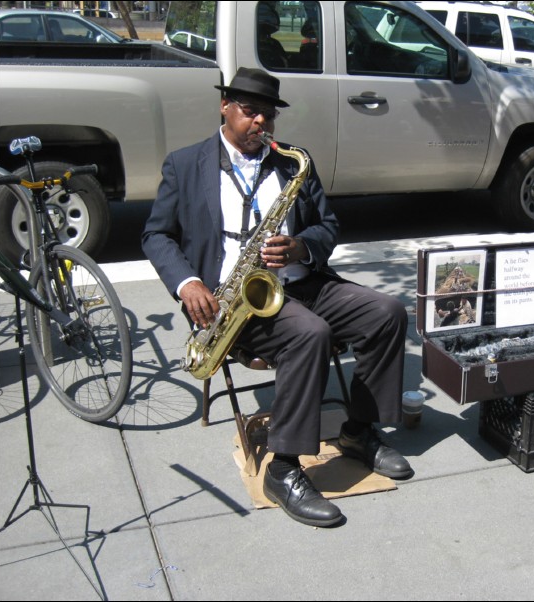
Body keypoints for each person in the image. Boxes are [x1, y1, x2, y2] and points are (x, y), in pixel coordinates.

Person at [142, 68, 413, 528]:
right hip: (233, 301)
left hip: (302, 283)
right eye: (250, 112)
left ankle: (359, 431)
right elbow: (156, 236)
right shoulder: (185, 164)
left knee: (385, 313)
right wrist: (188, 284)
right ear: (225, 107)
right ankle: (284, 469)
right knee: (310, 334)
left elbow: (328, 227)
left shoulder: (293, 162)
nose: (260, 123)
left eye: (268, 114)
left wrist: (302, 246)